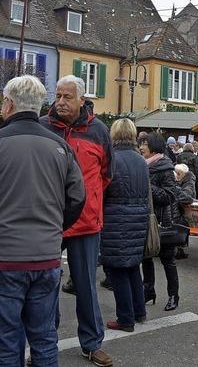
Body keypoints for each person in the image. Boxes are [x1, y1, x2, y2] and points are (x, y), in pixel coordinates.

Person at [0, 76, 85, 366]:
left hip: (6, 258)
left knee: (6, 341)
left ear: (9, 103)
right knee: (45, 338)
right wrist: (55, 228)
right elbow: (77, 198)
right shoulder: (59, 146)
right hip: (47, 256)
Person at [40, 75, 114, 367]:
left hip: (85, 223)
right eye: (58, 96)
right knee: (46, 286)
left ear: (82, 100)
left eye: (67, 97)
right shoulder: (44, 127)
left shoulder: (98, 131)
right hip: (50, 221)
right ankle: (45, 345)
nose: (60, 102)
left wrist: (88, 200)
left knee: (85, 285)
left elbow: (107, 174)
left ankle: (92, 344)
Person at [101, 118, 149, 333]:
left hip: (116, 218)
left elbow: (104, 190)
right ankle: (139, 311)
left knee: (117, 269)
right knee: (132, 267)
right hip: (138, 218)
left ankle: (125, 318)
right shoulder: (141, 160)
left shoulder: (112, 159)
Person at [139, 132, 183, 312]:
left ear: (154, 147)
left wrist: (149, 187)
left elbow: (169, 196)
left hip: (162, 222)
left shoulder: (165, 168)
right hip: (145, 219)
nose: (141, 147)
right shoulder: (143, 166)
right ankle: (148, 291)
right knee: (146, 258)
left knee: (168, 260)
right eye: (140, 144)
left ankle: (173, 295)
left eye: (144, 144)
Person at [174, 163, 196, 260]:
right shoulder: (177, 182)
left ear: (184, 174)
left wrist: (178, 192)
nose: (177, 176)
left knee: (182, 222)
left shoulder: (189, 181)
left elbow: (188, 194)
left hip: (181, 211)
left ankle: (179, 247)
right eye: (176, 173)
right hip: (178, 211)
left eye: (179, 174)